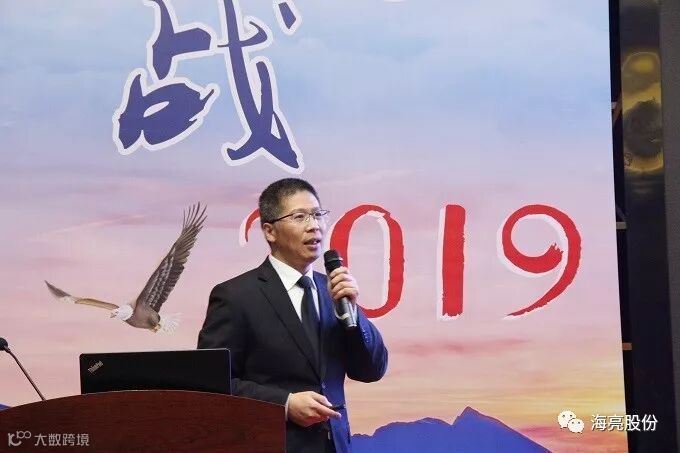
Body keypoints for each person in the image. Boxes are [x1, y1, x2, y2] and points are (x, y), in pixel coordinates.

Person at [197, 178, 388, 453]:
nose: (314, 225)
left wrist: (353, 314)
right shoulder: (236, 297)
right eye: (300, 217)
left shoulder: (333, 290)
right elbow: (212, 384)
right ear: (270, 231)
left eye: (318, 215)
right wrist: (284, 404)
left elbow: (372, 370)